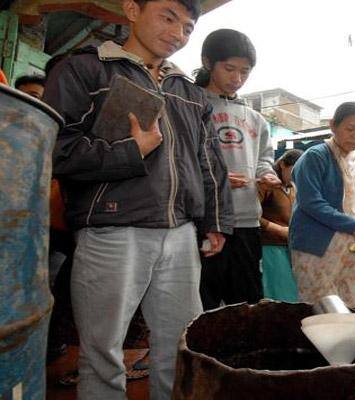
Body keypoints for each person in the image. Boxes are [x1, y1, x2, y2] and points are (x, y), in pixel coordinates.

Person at [42, 1, 234, 398]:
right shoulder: (86, 68)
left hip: (180, 233)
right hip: (111, 227)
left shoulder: (190, 92)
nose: (178, 33)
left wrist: (215, 220)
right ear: (132, 9)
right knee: (102, 351)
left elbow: (208, 161)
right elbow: (55, 150)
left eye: (187, 27)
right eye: (167, 17)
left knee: (180, 346)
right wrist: (130, 151)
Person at [194, 28, 280, 309]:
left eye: (245, 72)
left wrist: (266, 175)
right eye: (229, 69)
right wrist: (216, 179)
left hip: (246, 222)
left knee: (246, 302)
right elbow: (180, 159)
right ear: (209, 62)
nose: (237, 79)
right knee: (202, 300)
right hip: (204, 220)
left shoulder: (256, 119)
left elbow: (264, 158)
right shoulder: (191, 106)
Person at [289, 101, 355, 310]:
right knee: (320, 308)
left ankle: (351, 343)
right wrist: (352, 225)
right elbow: (311, 202)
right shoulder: (314, 157)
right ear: (333, 126)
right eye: (350, 129)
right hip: (317, 248)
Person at [258, 149, 303, 301]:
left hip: (288, 246)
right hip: (270, 246)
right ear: (283, 165)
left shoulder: (291, 187)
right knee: (279, 293)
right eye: (294, 171)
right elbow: (252, 215)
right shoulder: (267, 183)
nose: (297, 176)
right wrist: (275, 228)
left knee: (292, 292)